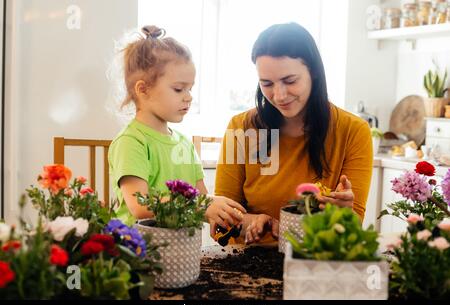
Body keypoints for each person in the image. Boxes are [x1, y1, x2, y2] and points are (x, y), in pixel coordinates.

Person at [212, 22, 373, 244]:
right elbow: (220, 226)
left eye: (290, 81)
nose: (279, 95)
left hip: (314, 264)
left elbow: (353, 230)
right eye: (267, 83)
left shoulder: (353, 131)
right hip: (248, 264)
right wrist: (255, 222)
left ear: (313, 72)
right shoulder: (240, 128)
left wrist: (343, 215)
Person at [108, 25, 246, 226]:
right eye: (179, 89)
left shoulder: (184, 143)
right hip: (141, 253)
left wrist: (223, 214)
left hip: (181, 252)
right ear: (143, 90)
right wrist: (201, 204)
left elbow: (202, 200)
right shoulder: (131, 142)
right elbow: (140, 205)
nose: (188, 97)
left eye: (190, 89)